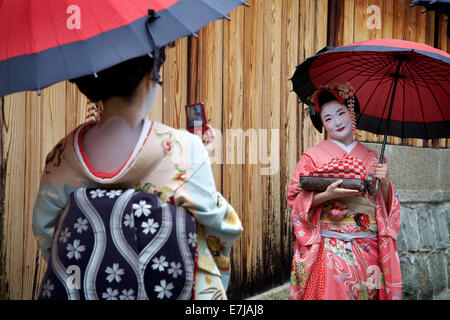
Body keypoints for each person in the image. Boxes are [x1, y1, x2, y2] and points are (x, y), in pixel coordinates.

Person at [32, 49, 242, 300]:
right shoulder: (184, 150)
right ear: (151, 76)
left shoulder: (61, 156)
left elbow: (45, 230)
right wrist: (199, 159)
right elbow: (220, 227)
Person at [287, 83, 401, 300]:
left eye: (341, 113)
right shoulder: (311, 157)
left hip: (369, 248)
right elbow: (295, 200)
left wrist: (385, 182)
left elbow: (388, 208)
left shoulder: (374, 159)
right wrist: (327, 196)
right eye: (328, 118)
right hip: (331, 249)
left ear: (352, 113)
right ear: (322, 124)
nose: (337, 122)